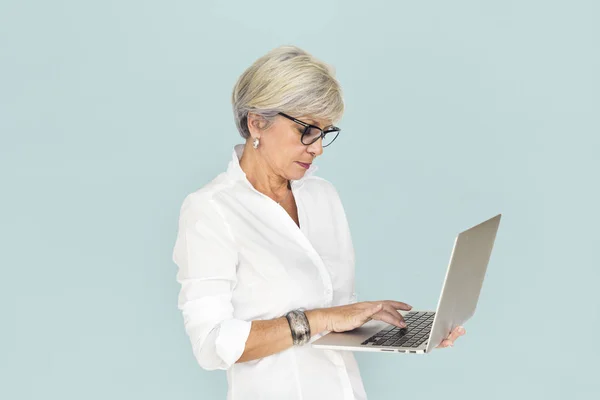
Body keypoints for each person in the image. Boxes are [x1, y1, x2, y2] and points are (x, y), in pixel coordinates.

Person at [172, 45, 465, 400]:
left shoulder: (322, 196)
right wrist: (322, 319)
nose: (318, 148)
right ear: (256, 122)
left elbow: (333, 319)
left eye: (325, 132)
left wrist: (400, 329)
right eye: (307, 130)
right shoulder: (211, 210)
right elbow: (210, 343)